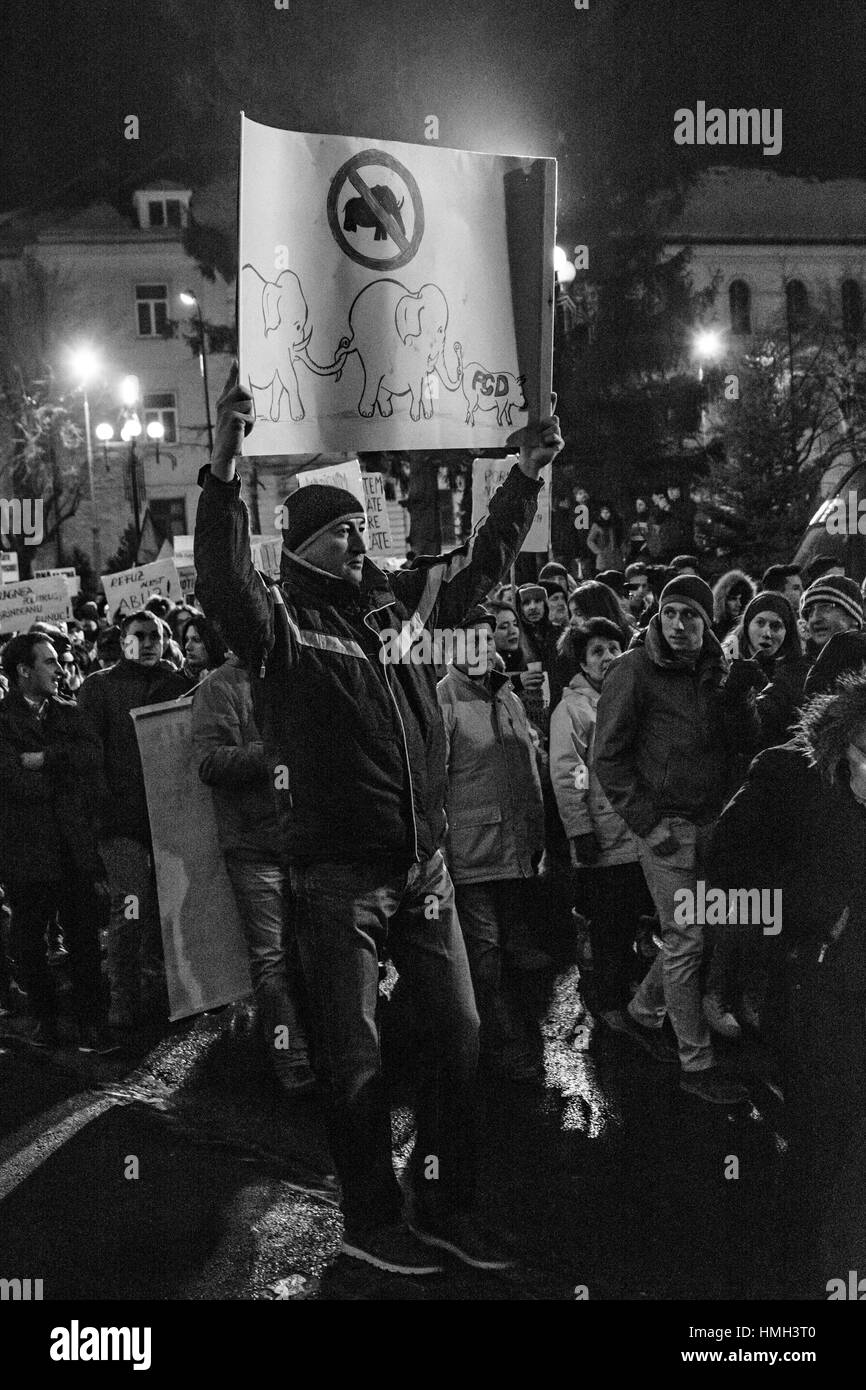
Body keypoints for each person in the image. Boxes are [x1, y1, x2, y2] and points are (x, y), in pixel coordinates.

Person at [194, 361, 563, 1276]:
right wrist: (224, 467)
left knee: (458, 1038)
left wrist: (527, 473)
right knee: (354, 1060)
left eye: (362, 527)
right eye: (342, 532)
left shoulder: (399, 614)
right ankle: (371, 1217)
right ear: (304, 547)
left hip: (425, 870)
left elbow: (479, 568)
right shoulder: (278, 630)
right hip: (337, 880)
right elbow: (223, 578)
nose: (361, 540)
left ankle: (447, 1205)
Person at [706, 673, 866, 1294]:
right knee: (817, 1146)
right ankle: (790, 1276)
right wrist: (813, 908)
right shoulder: (787, 775)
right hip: (810, 991)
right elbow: (721, 891)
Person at [593, 573, 760, 1103]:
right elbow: (607, 757)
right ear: (658, 617)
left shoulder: (717, 668)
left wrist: (738, 701)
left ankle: (643, 1013)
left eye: (691, 614)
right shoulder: (633, 670)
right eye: (670, 613)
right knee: (686, 940)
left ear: (707, 620)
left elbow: (740, 746)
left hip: (713, 827)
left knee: (698, 936)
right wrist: (648, 823)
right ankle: (696, 1063)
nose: (680, 625)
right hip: (666, 828)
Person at [192, 653, 315, 1095]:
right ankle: (291, 1058)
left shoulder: (297, 668)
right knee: (272, 957)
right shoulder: (220, 686)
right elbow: (209, 763)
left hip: (306, 839)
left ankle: (321, 1045)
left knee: (318, 948)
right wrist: (271, 754)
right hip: (255, 846)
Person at [437, 608, 547, 1083]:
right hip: (472, 850)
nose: (482, 650)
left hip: (516, 848)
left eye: (487, 641)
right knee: (485, 955)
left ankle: (506, 1034)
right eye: (470, 642)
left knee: (512, 950)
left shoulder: (506, 694)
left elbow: (527, 758)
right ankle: (497, 1046)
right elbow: (431, 780)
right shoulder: (444, 699)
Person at [0, 634, 116, 1053]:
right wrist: (64, 778)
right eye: (49, 662)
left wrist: (46, 760)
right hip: (27, 853)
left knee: (85, 941)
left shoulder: (69, 712)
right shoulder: (3, 720)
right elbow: (13, 780)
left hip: (72, 849)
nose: (60, 669)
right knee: (28, 945)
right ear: (23, 671)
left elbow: (93, 758)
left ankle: (93, 1025)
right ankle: (47, 1017)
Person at [78, 609, 190, 1032]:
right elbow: (90, 761)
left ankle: (164, 994)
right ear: (122, 640)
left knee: (171, 910)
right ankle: (122, 1002)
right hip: (121, 825)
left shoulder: (178, 683)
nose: (147, 643)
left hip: (168, 821)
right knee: (131, 907)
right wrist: (103, 818)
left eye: (155, 636)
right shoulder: (99, 688)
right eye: (138, 636)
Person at [550, 618, 654, 1030]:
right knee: (610, 924)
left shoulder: (626, 698)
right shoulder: (573, 710)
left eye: (614, 646)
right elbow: (567, 772)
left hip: (634, 832)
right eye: (597, 651)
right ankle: (607, 1003)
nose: (608, 656)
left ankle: (623, 988)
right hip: (602, 836)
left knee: (629, 918)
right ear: (583, 662)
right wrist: (581, 829)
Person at [799, 574, 864, 660]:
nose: (815, 618)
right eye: (810, 611)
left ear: (853, 618)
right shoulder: (795, 669)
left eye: (825, 607)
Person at [179, 613, 227, 683]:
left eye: (196, 640)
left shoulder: (230, 677)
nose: (187, 647)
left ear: (213, 642)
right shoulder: (175, 681)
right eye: (186, 640)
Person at [711, 569, 755, 644]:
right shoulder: (712, 631)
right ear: (722, 600)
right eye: (733, 599)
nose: (739, 604)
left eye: (742, 599)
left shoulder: (748, 630)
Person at [586, 503, 624, 573]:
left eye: (607, 512)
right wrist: (598, 551)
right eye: (603, 513)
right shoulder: (597, 525)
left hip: (616, 556)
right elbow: (590, 540)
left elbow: (622, 538)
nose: (605, 514)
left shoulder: (616, 524)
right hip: (603, 557)